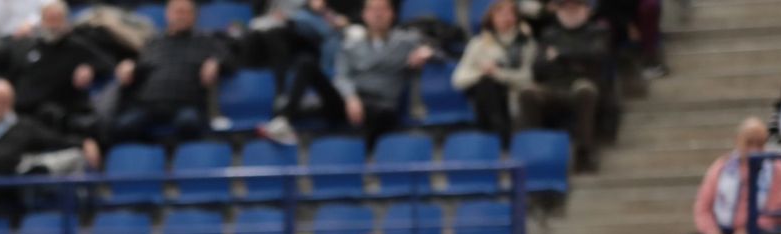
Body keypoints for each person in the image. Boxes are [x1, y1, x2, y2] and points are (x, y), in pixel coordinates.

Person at [260, 0, 434, 148]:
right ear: (364, 14)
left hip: (380, 105)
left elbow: (442, 44)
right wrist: (351, 97)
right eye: (372, 9)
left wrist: (427, 51)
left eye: (382, 9)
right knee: (306, 64)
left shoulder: (405, 41)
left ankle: (364, 157)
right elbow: (341, 76)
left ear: (392, 14)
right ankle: (283, 121)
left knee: (383, 113)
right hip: (349, 102)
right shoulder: (352, 45)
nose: (378, 14)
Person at [0, 79, 99, 215]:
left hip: (9, 192)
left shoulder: (24, 126)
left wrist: (83, 143)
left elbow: (55, 139)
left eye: (2, 100)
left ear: (10, 101)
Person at [110, 0, 228, 143]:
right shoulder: (154, 43)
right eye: (178, 11)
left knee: (188, 123)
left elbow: (230, 56)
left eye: (186, 12)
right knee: (122, 126)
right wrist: (129, 67)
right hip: (148, 105)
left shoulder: (206, 40)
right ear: (168, 14)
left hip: (186, 104)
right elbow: (141, 68)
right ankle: (150, 157)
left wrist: (216, 62)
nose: (181, 16)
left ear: (195, 15)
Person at [519, 0, 610, 171]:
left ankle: (584, 152)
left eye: (575, 6)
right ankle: (533, 153)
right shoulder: (549, 34)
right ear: (558, 11)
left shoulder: (597, 31)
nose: (570, 10)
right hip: (552, 85)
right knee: (528, 92)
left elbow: (596, 57)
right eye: (565, 7)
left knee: (585, 90)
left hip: (582, 83)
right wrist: (575, 61)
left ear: (586, 10)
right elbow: (538, 66)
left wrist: (560, 56)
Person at [8, 0, 108, 137]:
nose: (53, 26)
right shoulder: (31, 47)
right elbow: (13, 76)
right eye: (49, 20)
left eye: (57, 20)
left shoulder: (77, 46)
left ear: (66, 21)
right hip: (20, 110)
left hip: (51, 113)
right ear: (41, 22)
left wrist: (90, 67)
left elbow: (107, 64)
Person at [451, 0, 533, 147]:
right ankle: (496, 137)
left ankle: (494, 139)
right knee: (486, 84)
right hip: (487, 99)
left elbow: (527, 77)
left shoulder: (526, 44)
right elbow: (458, 79)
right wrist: (484, 73)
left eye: (510, 13)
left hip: (514, 96)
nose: (505, 18)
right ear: (491, 17)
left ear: (517, 18)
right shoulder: (478, 44)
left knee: (491, 84)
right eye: (500, 13)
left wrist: (498, 73)